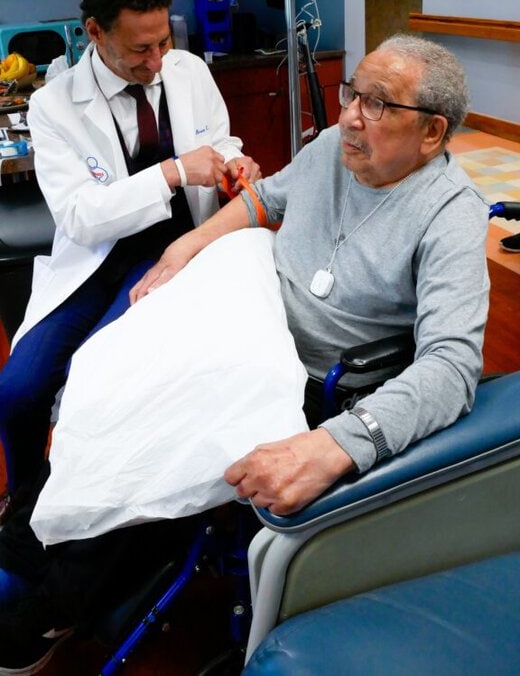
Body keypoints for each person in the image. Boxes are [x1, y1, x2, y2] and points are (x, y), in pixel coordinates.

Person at [0, 34, 489, 673]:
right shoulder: (330, 153)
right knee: (118, 379)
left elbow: (452, 367)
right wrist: (187, 247)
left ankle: (61, 595)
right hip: (247, 316)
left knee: (171, 440)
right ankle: (39, 529)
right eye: (352, 95)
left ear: (432, 133)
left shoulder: (451, 216)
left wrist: (338, 443)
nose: (348, 116)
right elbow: (265, 198)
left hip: (317, 379)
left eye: (376, 104)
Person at [0, 0, 260, 525]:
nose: (156, 61)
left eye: (163, 42)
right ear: (94, 33)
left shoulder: (189, 72)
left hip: (182, 254)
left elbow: (219, 140)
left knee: (97, 381)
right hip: (97, 262)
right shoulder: (54, 106)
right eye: (140, 49)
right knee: (19, 390)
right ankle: (25, 511)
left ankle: (99, 521)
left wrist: (234, 162)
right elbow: (80, 216)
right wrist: (170, 172)